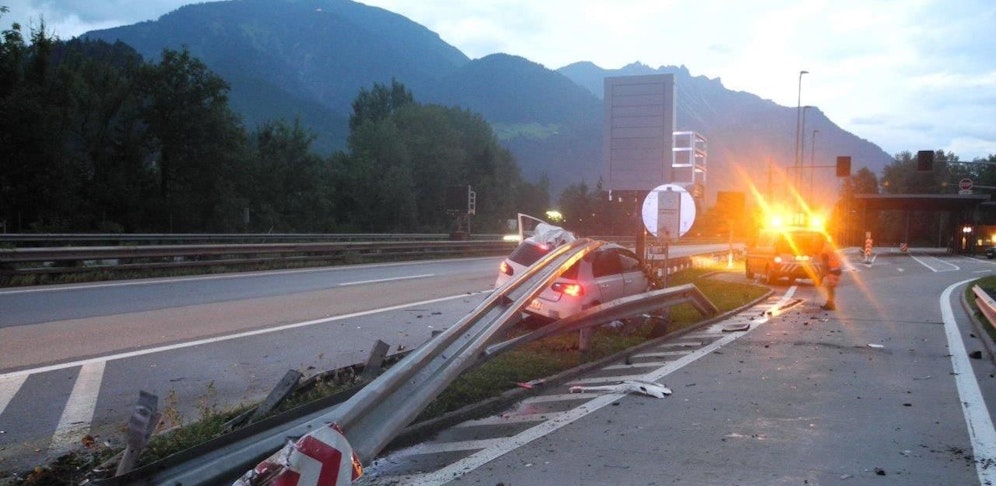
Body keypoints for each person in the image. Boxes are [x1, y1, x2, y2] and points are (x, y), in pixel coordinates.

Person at [819, 238, 842, 310]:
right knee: (830, 288)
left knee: (829, 288)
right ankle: (830, 303)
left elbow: (825, 265)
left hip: (832, 270)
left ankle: (830, 304)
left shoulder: (824, 251)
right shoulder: (827, 247)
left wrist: (821, 276)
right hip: (836, 269)